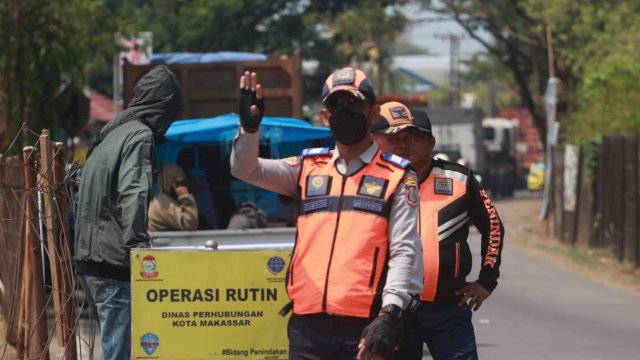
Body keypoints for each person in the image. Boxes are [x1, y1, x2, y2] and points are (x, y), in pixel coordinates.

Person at [231, 68, 424, 360]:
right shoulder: (308, 168)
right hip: (307, 328)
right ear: (324, 116)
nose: (344, 111)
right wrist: (248, 129)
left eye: (353, 103)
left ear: (372, 113)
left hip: (367, 326)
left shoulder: (397, 176)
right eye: (336, 104)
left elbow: (404, 251)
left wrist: (390, 315)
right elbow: (246, 169)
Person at [371, 103, 505, 360]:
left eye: (416, 136)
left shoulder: (459, 179)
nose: (408, 143)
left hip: (448, 310)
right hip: (395, 311)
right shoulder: (379, 180)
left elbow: (494, 226)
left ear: (431, 142)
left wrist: (487, 281)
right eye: (401, 137)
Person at [74, 65, 183, 360]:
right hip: (113, 262)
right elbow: (132, 192)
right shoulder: (140, 136)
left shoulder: (110, 135)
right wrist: (139, 249)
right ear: (164, 107)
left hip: (90, 259)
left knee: (115, 349)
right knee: (119, 353)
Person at [148, 162, 199, 231]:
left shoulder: (161, 199)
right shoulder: (164, 204)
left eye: (183, 182)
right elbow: (190, 224)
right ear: (168, 183)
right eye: (177, 183)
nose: (182, 186)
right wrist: (184, 195)